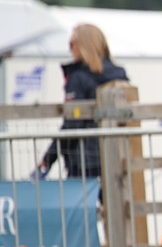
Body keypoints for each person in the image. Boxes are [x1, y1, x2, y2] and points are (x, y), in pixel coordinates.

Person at [37, 24, 130, 178]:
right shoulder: (120, 76)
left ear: (84, 45)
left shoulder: (78, 78)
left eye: (72, 44)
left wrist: (49, 157)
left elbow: (73, 123)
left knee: (81, 201)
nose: (69, 49)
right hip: (118, 155)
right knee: (113, 201)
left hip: (85, 160)